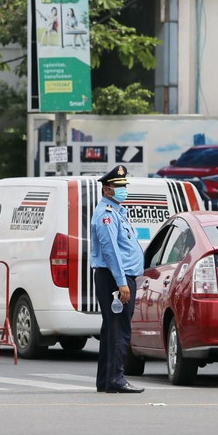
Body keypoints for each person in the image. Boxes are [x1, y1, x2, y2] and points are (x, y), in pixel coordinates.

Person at [91, 165, 145, 394]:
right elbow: (111, 250)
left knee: (111, 329)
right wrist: (122, 282)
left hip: (115, 278)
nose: (123, 190)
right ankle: (116, 379)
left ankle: (106, 379)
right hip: (115, 279)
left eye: (124, 186)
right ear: (106, 190)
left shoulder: (117, 212)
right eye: (118, 187)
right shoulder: (107, 215)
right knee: (119, 330)